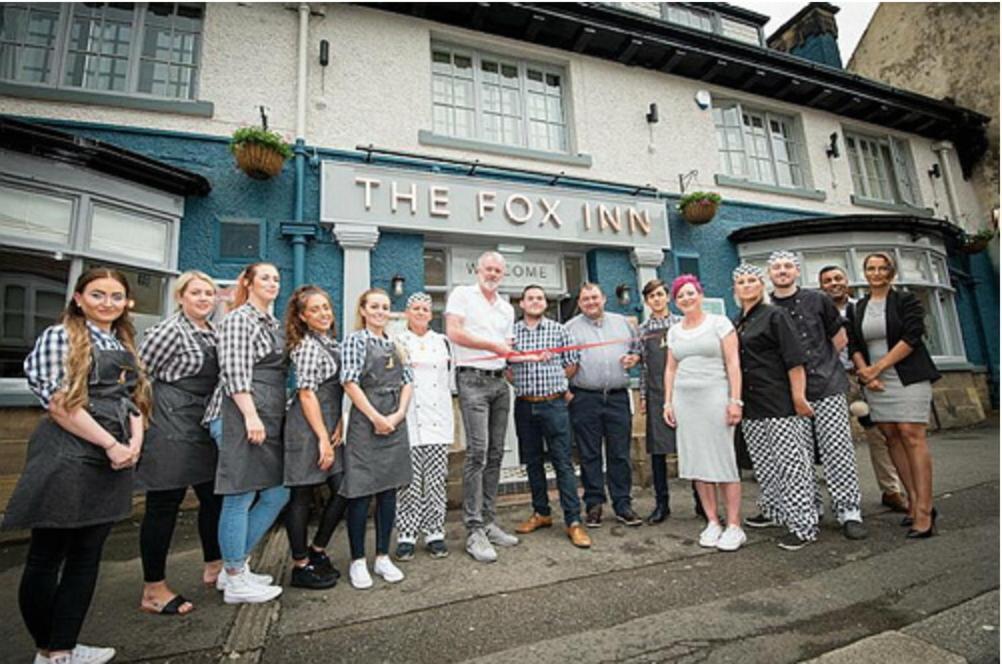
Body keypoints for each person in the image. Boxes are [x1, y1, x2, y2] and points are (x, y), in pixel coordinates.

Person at [4, 267, 150, 664]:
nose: (108, 303)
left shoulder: (122, 342)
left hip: (114, 456)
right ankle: (48, 650)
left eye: (116, 296)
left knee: (87, 555)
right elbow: (59, 404)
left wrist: (133, 443)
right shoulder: (61, 336)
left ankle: (63, 646)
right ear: (79, 298)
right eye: (98, 295)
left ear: (126, 303)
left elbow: (131, 400)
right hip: (68, 453)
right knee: (46, 555)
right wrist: (109, 443)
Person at [136, 270, 222, 615]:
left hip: (200, 422)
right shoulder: (167, 331)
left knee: (213, 497)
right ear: (181, 296)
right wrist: (141, 423)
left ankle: (214, 565)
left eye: (209, 293)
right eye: (196, 292)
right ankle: (153, 588)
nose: (204, 298)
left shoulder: (212, 332)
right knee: (163, 504)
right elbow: (139, 374)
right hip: (169, 422)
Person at [767, 251, 867, 541]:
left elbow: (839, 339)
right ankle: (810, 509)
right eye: (776, 267)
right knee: (799, 456)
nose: (782, 271)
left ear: (797, 271)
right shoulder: (766, 305)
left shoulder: (817, 300)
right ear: (769, 273)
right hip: (787, 394)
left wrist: (822, 364)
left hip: (826, 385)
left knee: (837, 450)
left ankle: (849, 511)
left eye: (787, 266)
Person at [206, 262, 288, 604]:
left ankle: (233, 566)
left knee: (277, 493)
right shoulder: (239, 318)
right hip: (238, 415)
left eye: (276, 279)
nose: (272, 283)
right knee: (238, 496)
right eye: (264, 278)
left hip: (265, 414)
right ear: (248, 283)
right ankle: (236, 579)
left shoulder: (272, 322)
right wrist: (251, 416)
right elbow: (235, 371)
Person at [848, 252, 941, 538]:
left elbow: (913, 336)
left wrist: (878, 368)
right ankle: (913, 501)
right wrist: (865, 372)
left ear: (891, 273)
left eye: (881, 268)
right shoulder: (858, 306)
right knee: (891, 436)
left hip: (907, 374)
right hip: (875, 380)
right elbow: (853, 343)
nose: (876, 273)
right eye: (870, 268)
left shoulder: (905, 300)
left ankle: (925, 512)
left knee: (910, 433)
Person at [732, 264, 819, 551]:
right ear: (736, 289)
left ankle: (803, 525)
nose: (747, 286)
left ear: (761, 286)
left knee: (791, 464)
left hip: (778, 400)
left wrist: (799, 396)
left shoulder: (775, 315)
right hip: (752, 403)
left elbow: (794, 360)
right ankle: (775, 511)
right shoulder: (739, 321)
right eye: (741, 282)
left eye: (752, 281)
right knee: (765, 464)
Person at [445, 251, 519, 563]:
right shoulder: (462, 294)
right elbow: (454, 333)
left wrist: (528, 358)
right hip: (471, 380)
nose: (492, 274)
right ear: (478, 270)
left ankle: (489, 522)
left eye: (498, 270)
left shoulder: (506, 308)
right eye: (488, 268)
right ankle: (473, 529)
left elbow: (508, 350)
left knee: (495, 453)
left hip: (499, 383)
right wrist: (493, 346)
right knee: (477, 451)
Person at [662, 275, 745, 551]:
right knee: (697, 462)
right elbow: (670, 368)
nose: (686, 299)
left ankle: (734, 525)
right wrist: (668, 402)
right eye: (680, 296)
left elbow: (733, 362)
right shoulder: (674, 330)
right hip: (685, 400)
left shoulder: (719, 323)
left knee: (723, 460)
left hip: (715, 396)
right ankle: (712, 521)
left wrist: (735, 400)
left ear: (700, 294)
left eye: (690, 293)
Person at [819, 265, 908, 514]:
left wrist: (872, 373)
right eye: (827, 280)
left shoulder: (862, 308)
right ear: (821, 286)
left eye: (838, 278)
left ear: (846, 281)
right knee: (835, 440)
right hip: (830, 380)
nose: (833, 283)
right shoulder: (816, 311)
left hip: (866, 376)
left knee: (881, 434)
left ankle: (892, 490)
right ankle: (844, 500)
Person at [340, 288, 413, 588]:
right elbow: (349, 382)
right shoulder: (354, 341)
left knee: (388, 492)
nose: (380, 311)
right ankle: (358, 561)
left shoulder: (396, 343)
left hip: (395, 420)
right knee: (359, 493)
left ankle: (383, 556)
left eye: (384, 306)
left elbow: (408, 382)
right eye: (374, 306)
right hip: (365, 421)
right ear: (364, 310)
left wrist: (396, 416)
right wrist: (376, 417)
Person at [510, 285, 591, 549]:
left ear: (545, 303)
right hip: (524, 405)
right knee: (532, 463)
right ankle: (541, 513)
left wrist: (556, 382)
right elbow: (505, 369)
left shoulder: (560, 330)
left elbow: (572, 364)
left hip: (554, 405)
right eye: (530, 298)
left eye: (540, 298)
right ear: (521, 303)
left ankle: (573, 521)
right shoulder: (511, 333)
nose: (535, 301)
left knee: (563, 463)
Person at [282, 285, 346, 590]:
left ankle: (317, 549)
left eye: (326, 307)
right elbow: (307, 394)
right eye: (315, 310)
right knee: (302, 496)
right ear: (303, 317)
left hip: (330, 421)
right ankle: (300, 565)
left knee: (344, 489)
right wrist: (322, 437)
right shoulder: (306, 346)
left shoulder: (330, 342)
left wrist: (340, 423)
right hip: (307, 427)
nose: (323, 314)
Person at [565, 282, 643, 528]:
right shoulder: (569, 329)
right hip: (585, 397)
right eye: (585, 299)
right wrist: (565, 392)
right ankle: (594, 504)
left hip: (618, 396)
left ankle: (622, 504)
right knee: (589, 454)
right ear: (579, 303)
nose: (591, 302)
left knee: (620, 453)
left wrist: (635, 358)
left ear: (604, 298)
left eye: (594, 297)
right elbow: (560, 364)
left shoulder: (623, 323)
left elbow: (637, 350)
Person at [393, 292, 454, 561]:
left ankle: (434, 532)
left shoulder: (442, 342)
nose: (420, 313)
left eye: (425, 309)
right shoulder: (397, 341)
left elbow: (449, 381)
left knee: (436, 481)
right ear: (407, 313)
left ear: (431, 314)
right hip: (408, 420)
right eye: (415, 308)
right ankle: (407, 534)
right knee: (409, 482)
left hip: (438, 420)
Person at [637, 278, 677, 524]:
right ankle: (662, 504)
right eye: (652, 297)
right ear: (647, 301)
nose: (657, 299)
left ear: (668, 297)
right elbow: (642, 367)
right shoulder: (643, 330)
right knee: (658, 453)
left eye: (660, 294)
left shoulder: (681, 324)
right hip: (655, 394)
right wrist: (642, 396)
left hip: (683, 394)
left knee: (690, 449)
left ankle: (701, 502)